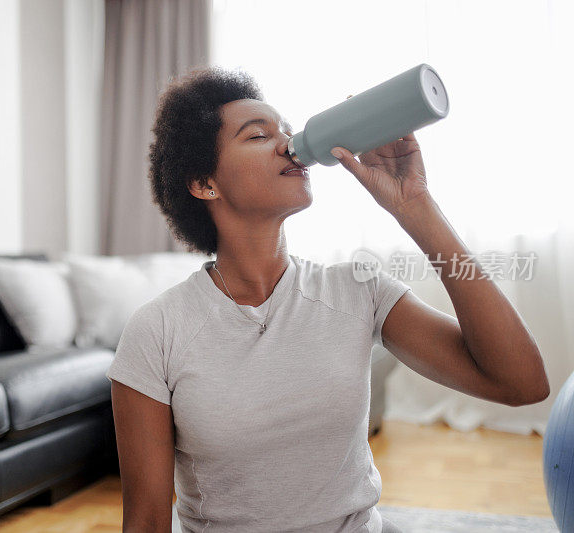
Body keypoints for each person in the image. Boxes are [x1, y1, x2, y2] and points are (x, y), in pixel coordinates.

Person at [106, 67, 549, 533]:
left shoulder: (358, 289)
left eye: (289, 132)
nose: (288, 145)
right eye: (258, 136)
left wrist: (415, 206)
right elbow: (146, 521)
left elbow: (521, 383)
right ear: (204, 184)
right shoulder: (157, 331)